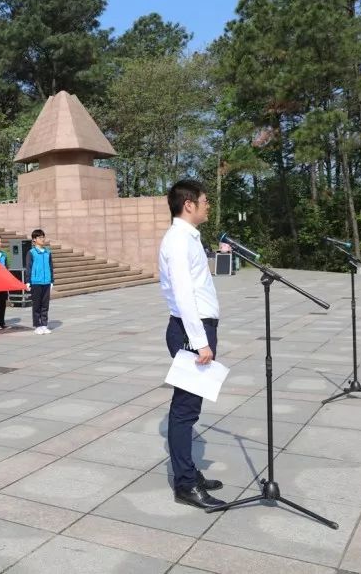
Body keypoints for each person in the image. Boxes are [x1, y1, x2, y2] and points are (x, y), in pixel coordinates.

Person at [159, 180, 225, 509]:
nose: (207, 205)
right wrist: (200, 342)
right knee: (184, 411)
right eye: (204, 201)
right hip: (190, 331)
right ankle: (185, 484)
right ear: (189, 205)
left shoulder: (187, 238)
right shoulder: (177, 241)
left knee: (191, 408)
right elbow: (184, 294)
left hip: (195, 328)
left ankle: (189, 472)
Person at [24, 229, 54, 334]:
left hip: (46, 282)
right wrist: (28, 281)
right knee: (37, 305)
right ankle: (37, 325)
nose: (42, 239)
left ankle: (44, 324)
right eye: (40, 237)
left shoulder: (47, 252)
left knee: (45, 305)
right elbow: (28, 267)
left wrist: (52, 281)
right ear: (34, 240)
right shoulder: (31, 253)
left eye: (43, 237)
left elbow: (51, 267)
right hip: (36, 282)